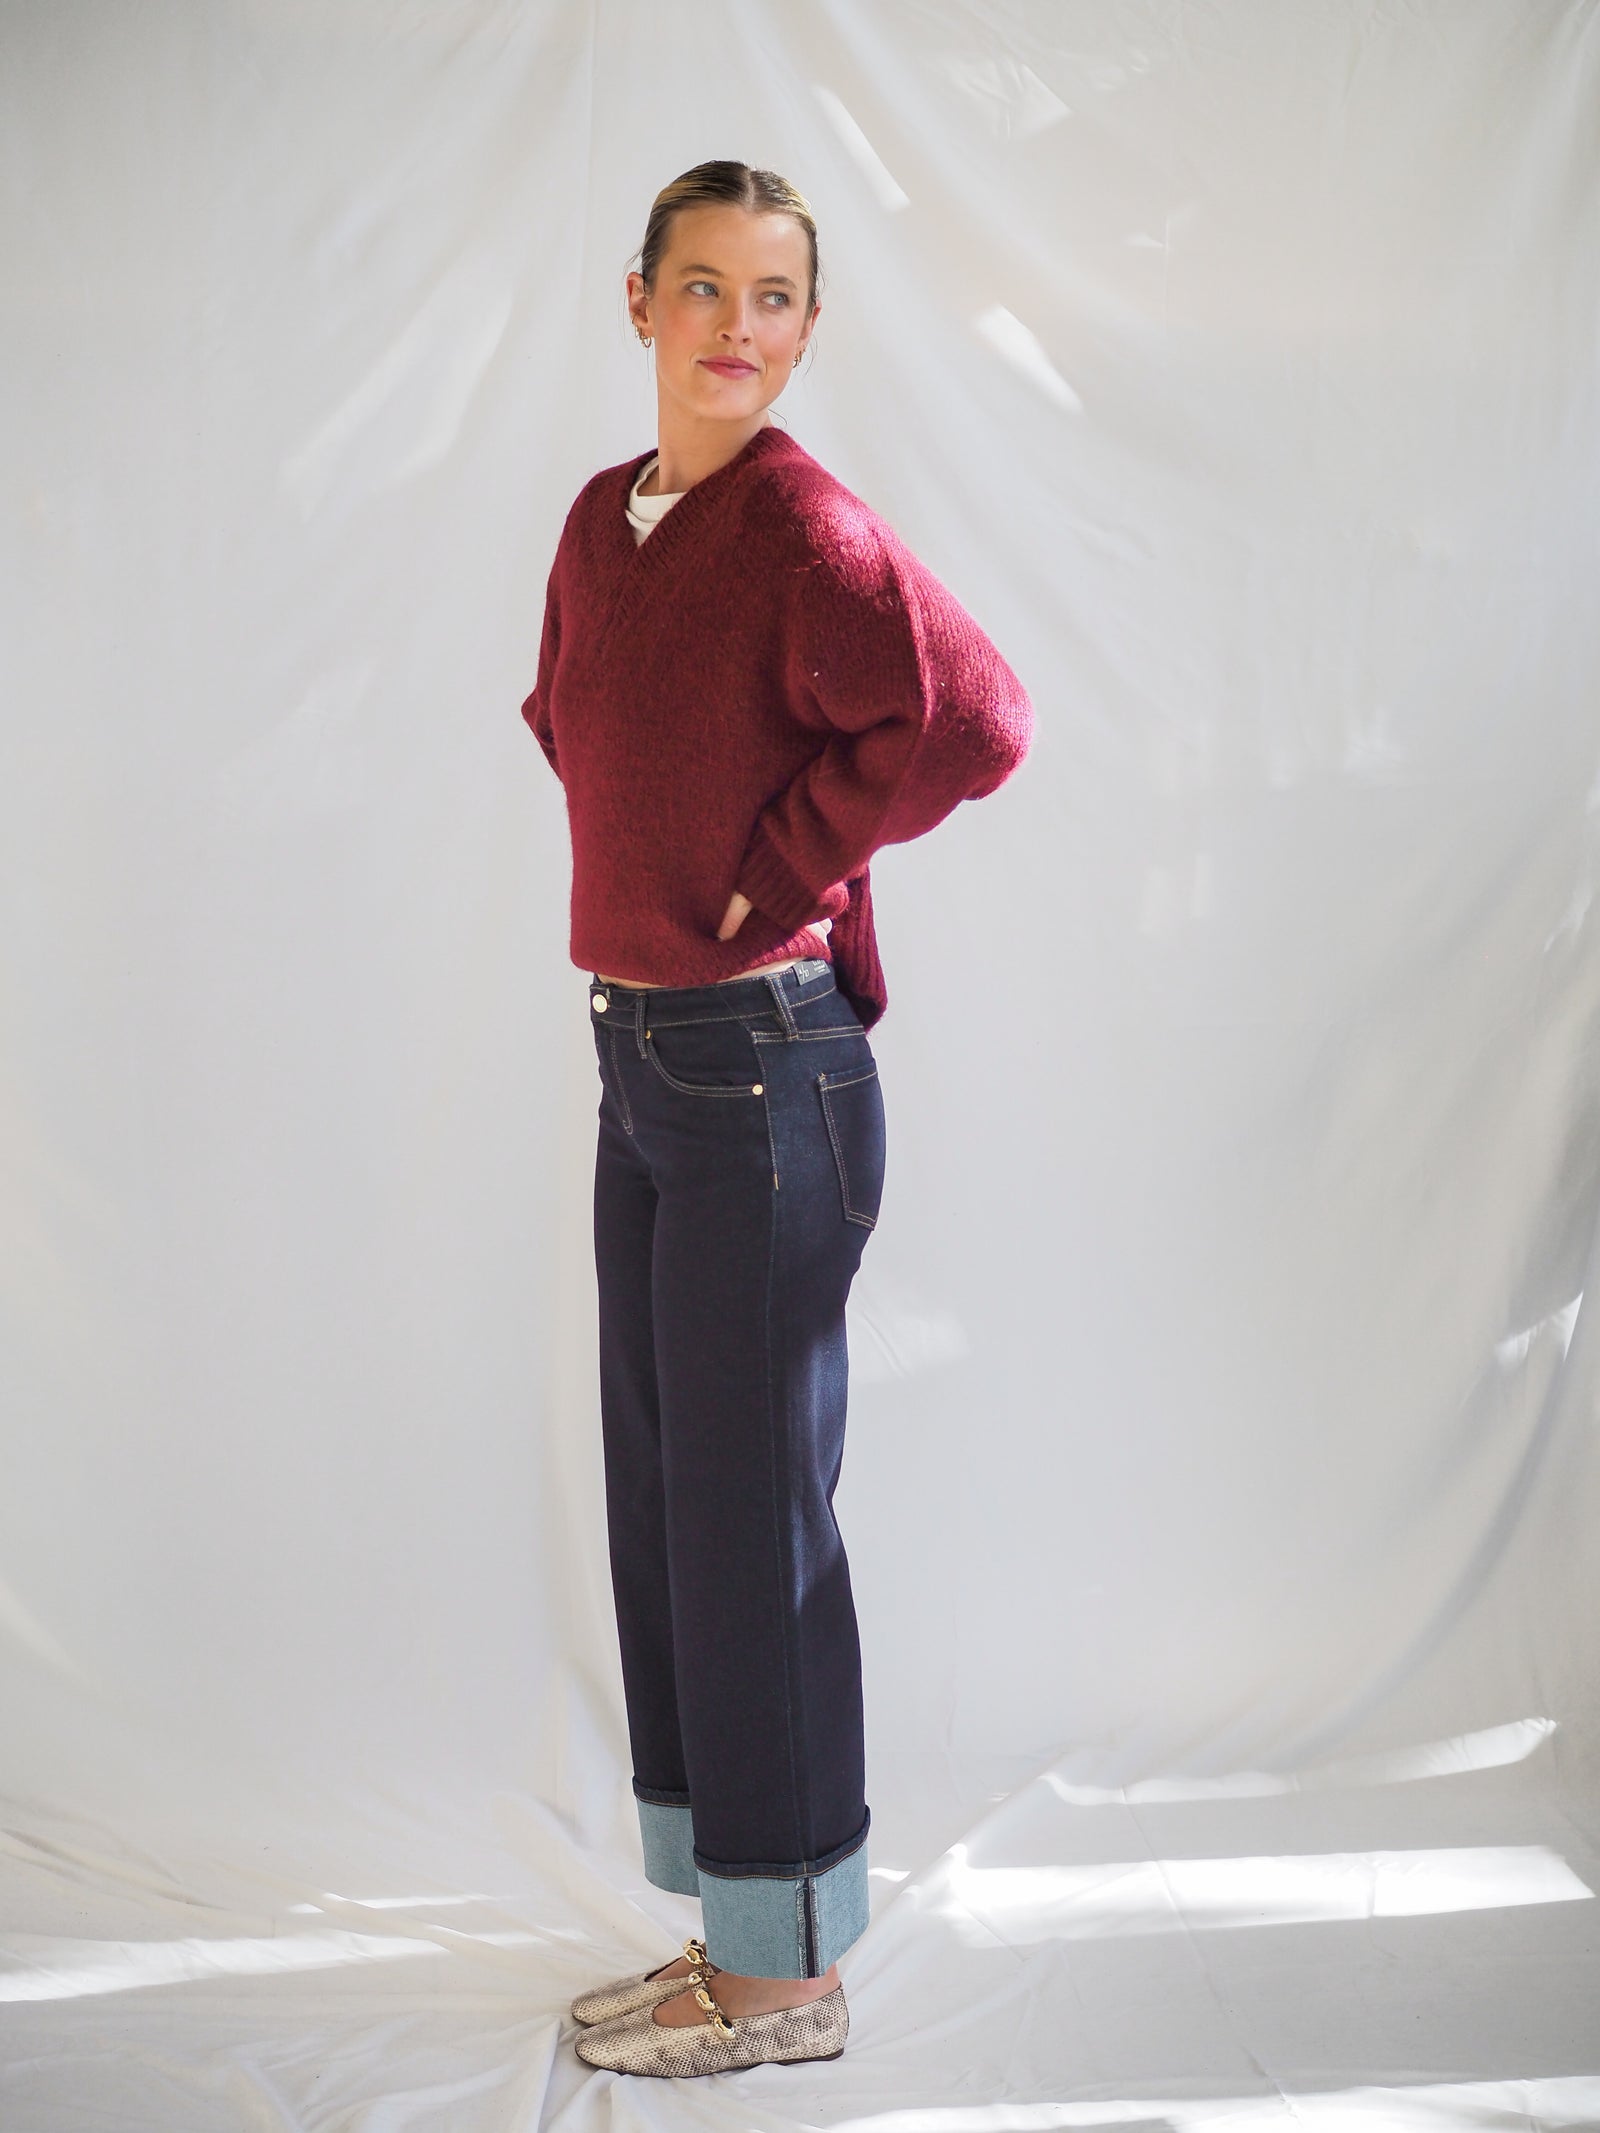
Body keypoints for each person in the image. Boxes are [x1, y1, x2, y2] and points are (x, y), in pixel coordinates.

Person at [519, 158, 1033, 2077]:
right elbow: (573, 718)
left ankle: (790, 1981)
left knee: (752, 1523)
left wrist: (780, 864)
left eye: (776, 296)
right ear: (637, 301)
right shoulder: (604, 522)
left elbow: (973, 718)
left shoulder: (808, 527)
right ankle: (736, 1921)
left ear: (809, 328)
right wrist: (672, 868)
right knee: (671, 1499)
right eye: (705, 286)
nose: (738, 326)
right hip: (643, 1054)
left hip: (763, 1066)